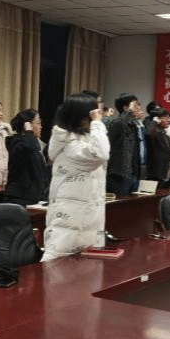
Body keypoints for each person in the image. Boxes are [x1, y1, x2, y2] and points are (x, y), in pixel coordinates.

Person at [43, 91, 110, 260]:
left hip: (86, 223)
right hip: (70, 226)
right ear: (81, 118)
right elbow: (101, 154)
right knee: (58, 271)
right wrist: (97, 124)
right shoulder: (71, 146)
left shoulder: (83, 140)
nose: (98, 116)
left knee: (87, 271)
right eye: (93, 114)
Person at [1, 109, 47, 206]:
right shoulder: (16, 142)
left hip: (33, 199)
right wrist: (28, 132)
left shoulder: (34, 144)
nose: (41, 127)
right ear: (28, 125)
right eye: (38, 123)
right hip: (18, 199)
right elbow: (29, 147)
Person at [106, 94, 145, 195]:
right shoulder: (117, 123)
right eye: (135, 105)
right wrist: (129, 112)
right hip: (120, 174)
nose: (139, 108)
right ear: (125, 108)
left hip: (133, 173)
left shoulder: (133, 125)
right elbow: (122, 123)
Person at [144, 106, 170, 188]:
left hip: (164, 174)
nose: (169, 120)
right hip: (155, 174)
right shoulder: (153, 131)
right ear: (158, 119)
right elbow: (149, 134)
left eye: (169, 117)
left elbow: (168, 152)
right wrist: (154, 122)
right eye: (165, 117)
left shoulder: (163, 133)